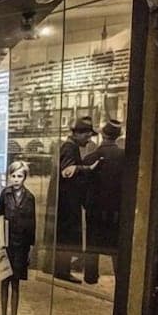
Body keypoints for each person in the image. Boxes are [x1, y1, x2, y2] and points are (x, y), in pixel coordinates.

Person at [54, 115, 100, 282]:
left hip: (67, 201)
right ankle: (62, 271)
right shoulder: (69, 147)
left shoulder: (70, 146)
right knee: (66, 236)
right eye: (87, 136)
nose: (89, 140)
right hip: (67, 202)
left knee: (66, 235)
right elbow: (66, 172)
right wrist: (88, 168)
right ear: (78, 133)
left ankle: (62, 269)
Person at [0, 160, 37, 315]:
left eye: (19, 176)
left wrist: (31, 248)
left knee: (16, 283)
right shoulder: (5, 195)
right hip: (6, 243)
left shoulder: (29, 198)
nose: (16, 179)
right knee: (4, 281)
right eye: (13, 176)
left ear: (25, 177)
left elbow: (32, 224)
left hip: (21, 245)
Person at [83, 118, 125, 285]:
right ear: (117, 136)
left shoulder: (91, 157)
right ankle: (120, 278)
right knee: (116, 246)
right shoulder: (125, 157)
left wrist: (86, 204)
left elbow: (83, 185)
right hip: (116, 209)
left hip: (94, 208)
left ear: (104, 135)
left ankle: (91, 276)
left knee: (93, 243)